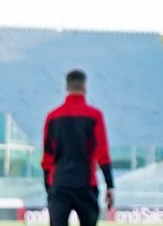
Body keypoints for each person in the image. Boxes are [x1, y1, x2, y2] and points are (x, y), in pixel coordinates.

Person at [41, 69, 114, 226]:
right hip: (86, 185)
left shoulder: (52, 117)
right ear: (85, 87)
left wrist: (48, 186)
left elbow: (47, 156)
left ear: (67, 87)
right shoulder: (94, 116)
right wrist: (110, 185)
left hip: (60, 183)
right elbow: (102, 154)